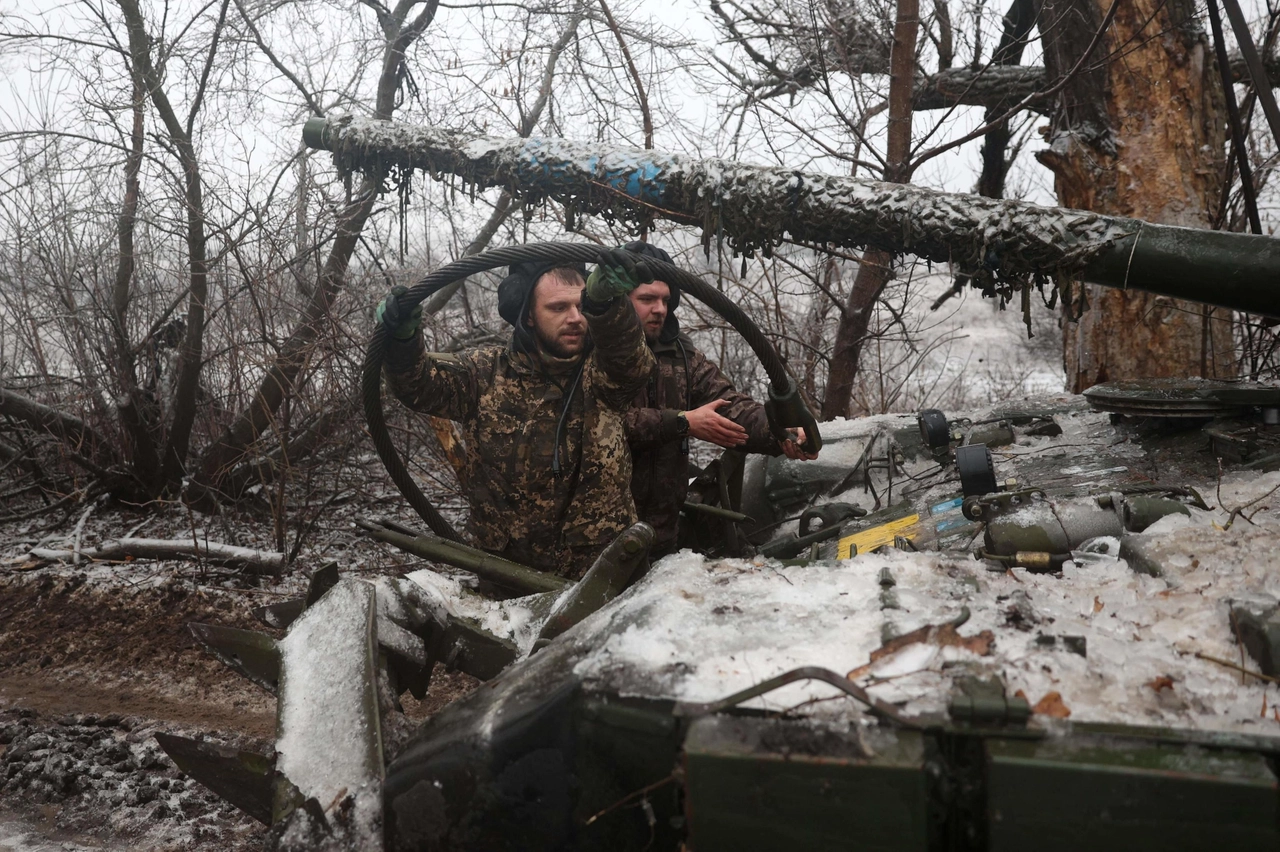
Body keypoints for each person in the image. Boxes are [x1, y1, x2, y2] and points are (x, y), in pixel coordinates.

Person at [376, 251, 655, 580]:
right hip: (509, 579)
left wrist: (607, 306)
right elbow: (418, 386)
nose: (576, 318)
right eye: (558, 308)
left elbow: (632, 365)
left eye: (581, 306)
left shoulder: (602, 373)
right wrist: (401, 339)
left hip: (602, 577)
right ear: (529, 315)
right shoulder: (484, 373)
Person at [621, 241, 818, 557]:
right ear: (618, 301)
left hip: (662, 537)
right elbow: (599, 425)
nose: (659, 309)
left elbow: (730, 404)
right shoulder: (590, 355)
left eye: (665, 299)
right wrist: (682, 423)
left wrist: (781, 429)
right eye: (647, 299)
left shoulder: (681, 356)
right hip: (600, 539)